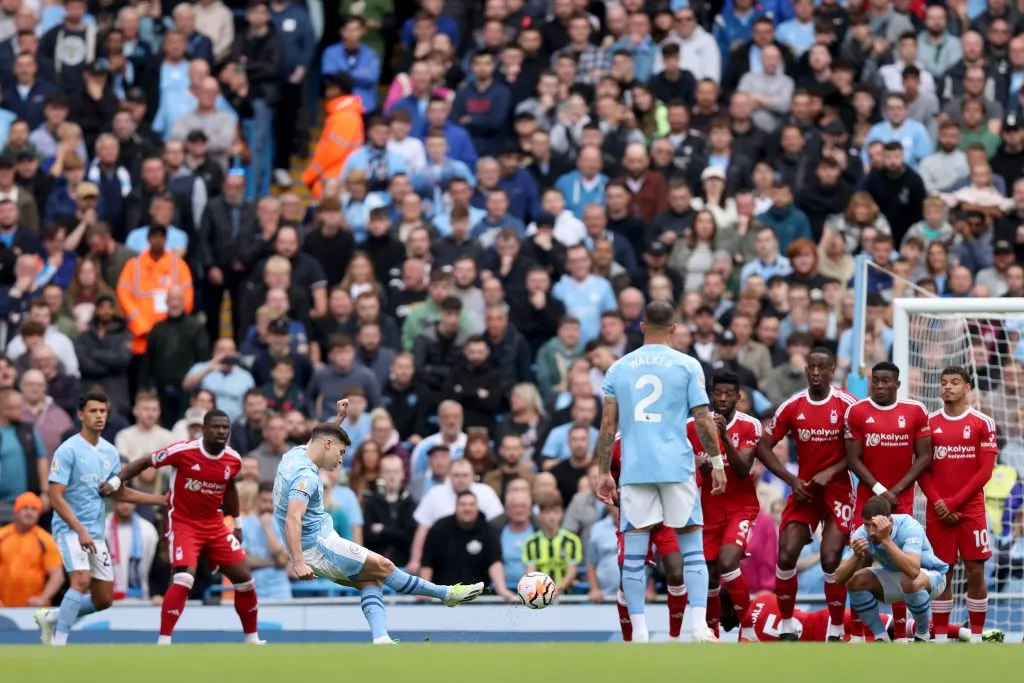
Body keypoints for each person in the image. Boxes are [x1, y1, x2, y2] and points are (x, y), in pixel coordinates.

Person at [273, 399, 484, 645]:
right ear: (328, 445)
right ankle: (446, 594)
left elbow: (319, 437)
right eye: (341, 452)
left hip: (314, 546)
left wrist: (339, 419)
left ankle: (380, 638)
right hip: (319, 546)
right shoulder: (305, 477)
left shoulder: (295, 454)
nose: (341, 460)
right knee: (385, 566)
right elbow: (293, 518)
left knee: (370, 580)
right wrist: (298, 563)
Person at [595, 300, 725, 643]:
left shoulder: (618, 368)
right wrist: (717, 462)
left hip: (635, 469)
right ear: (674, 327)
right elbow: (702, 418)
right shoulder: (687, 365)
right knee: (693, 548)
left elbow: (608, 425)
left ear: (641, 327)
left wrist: (604, 471)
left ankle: (639, 633)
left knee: (635, 557)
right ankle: (699, 627)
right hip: (677, 467)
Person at [103, 409, 263, 646]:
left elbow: (229, 488)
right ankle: (164, 640)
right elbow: (146, 461)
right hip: (183, 523)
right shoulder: (183, 451)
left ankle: (252, 639)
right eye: (216, 427)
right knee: (183, 578)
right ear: (204, 429)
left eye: (225, 428)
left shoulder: (233, 460)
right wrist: (116, 481)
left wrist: (237, 523)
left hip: (214, 524)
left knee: (245, 579)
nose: (221, 431)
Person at [35, 391, 166, 646]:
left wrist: (159, 499)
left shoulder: (109, 452)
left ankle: (52, 617)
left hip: (95, 532)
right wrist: (79, 529)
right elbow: (55, 495)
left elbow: (121, 492)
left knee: (104, 599)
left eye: (103, 411)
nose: (99, 416)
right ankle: (59, 642)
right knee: (81, 580)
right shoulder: (68, 450)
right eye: (93, 411)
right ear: (81, 415)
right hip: (70, 529)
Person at [754, 347, 856, 641]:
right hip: (805, 491)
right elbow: (763, 445)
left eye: (821, 368)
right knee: (786, 555)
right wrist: (791, 478)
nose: (815, 373)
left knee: (830, 559)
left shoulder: (848, 404)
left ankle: (836, 628)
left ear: (832, 370)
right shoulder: (792, 406)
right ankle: (787, 626)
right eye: (811, 367)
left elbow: (858, 452)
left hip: (837, 490)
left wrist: (831, 472)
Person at [843, 361, 933, 641]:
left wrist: (896, 490)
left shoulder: (915, 411)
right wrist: (881, 489)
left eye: (885, 381)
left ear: (897, 384)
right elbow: (852, 459)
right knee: (861, 559)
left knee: (898, 563)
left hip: (902, 502)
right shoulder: (856, 411)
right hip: (868, 501)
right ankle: (858, 634)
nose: (880, 386)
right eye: (875, 381)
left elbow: (925, 456)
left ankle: (903, 634)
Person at [917, 365, 998, 642]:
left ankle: (976, 638)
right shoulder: (928, 423)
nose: (947, 387)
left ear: (967, 388)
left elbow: (985, 472)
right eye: (943, 383)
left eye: (954, 382)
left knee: (975, 571)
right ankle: (939, 638)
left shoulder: (982, 423)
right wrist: (939, 502)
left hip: (970, 509)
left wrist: (953, 502)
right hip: (938, 510)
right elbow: (922, 469)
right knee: (942, 573)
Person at [685, 371, 761, 637]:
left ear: (739, 397)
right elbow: (681, 465)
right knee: (709, 576)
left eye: (730, 394)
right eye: (719, 394)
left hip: (741, 507)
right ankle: (712, 635)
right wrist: (699, 467)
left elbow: (742, 469)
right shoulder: (691, 427)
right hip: (707, 510)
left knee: (729, 563)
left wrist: (724, 437)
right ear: (711, 396)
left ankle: (749, 633)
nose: (724, 399)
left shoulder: (750, 425)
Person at [836, 496, 949, 643]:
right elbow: (839, 578)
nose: (870, 532)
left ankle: (923, 635)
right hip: (898, 580)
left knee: (910, 581)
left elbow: (913, 571)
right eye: (866, 525)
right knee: (855, 580)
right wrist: (856, 557)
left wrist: (885, 539)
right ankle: (881, 638)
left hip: (933, 577)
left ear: (889, 521)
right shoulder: (861, 534)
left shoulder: (909, 526)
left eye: (874, 525)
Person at [0, 492, 63, 608]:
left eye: (34, 509)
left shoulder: (46, 540)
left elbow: (57, 575)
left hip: (33, 608)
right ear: (16, 511)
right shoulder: (2, 536)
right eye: (25, 508)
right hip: (3, 607)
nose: (29, 512)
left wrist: (43, 598)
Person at [522, 492, 582, 597]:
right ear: (540, 515)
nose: (551, 516)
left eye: (556, 512)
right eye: (547, 512)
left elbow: (572, 570)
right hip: (539, 595)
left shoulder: (572, 541)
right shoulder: (531, 543)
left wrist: (559, 588)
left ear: (562, 514)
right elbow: (530, 572)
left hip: (566, 597)